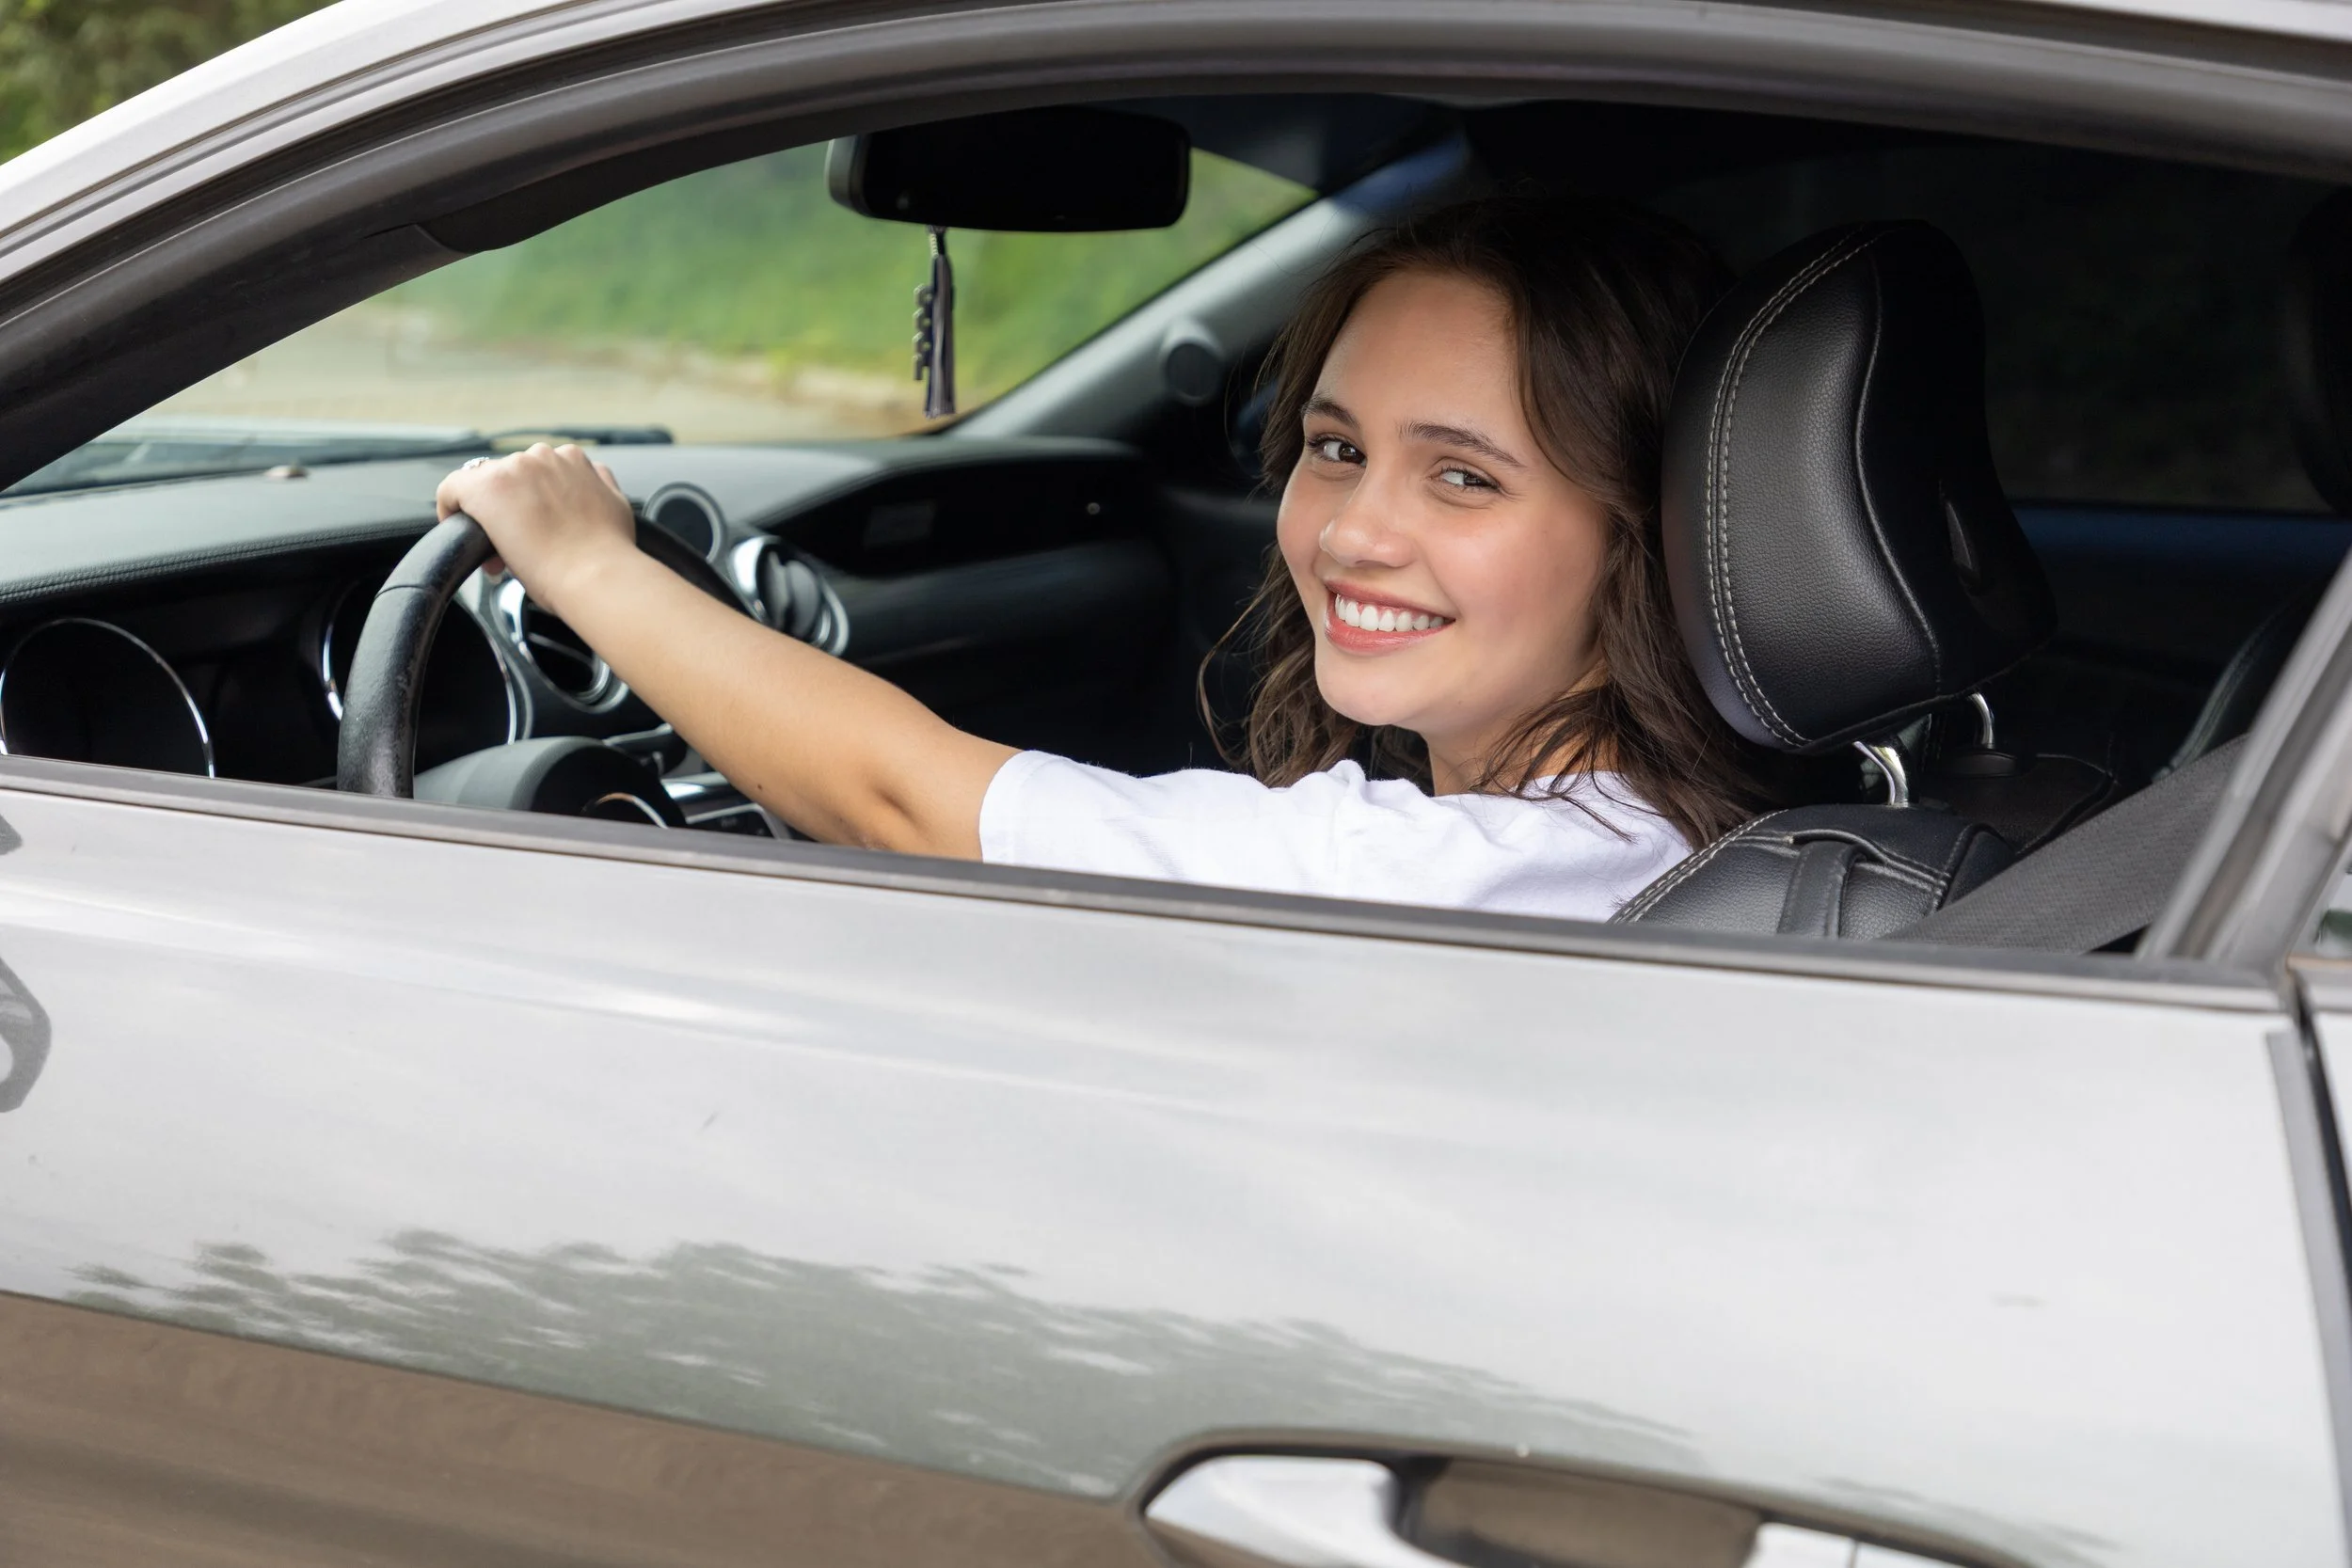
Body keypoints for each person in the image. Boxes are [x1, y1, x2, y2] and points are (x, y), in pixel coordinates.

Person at [437, 195, 1763, 921]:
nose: (1357, 531)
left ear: (1643, 532)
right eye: (1336, 446)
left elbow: (904, 806)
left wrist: (587, 564)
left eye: (1464, 476)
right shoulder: (1688, 839)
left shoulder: (1441, 881)